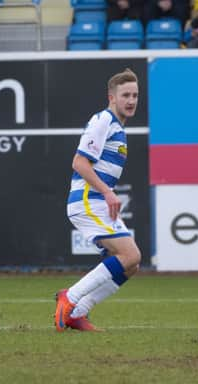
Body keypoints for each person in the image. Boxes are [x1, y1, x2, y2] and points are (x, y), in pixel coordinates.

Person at [55, 69, 142, 332]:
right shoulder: (103, 120)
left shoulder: (118, 127)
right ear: (111, 97)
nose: (131, 100)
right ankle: (69, 298)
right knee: (130, 254)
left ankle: (77, 313)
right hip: (87, 200)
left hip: (97, 202)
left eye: (135, 95)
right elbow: (79, 162)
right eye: (125, 95)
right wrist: (107, 191)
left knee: (131, 265)